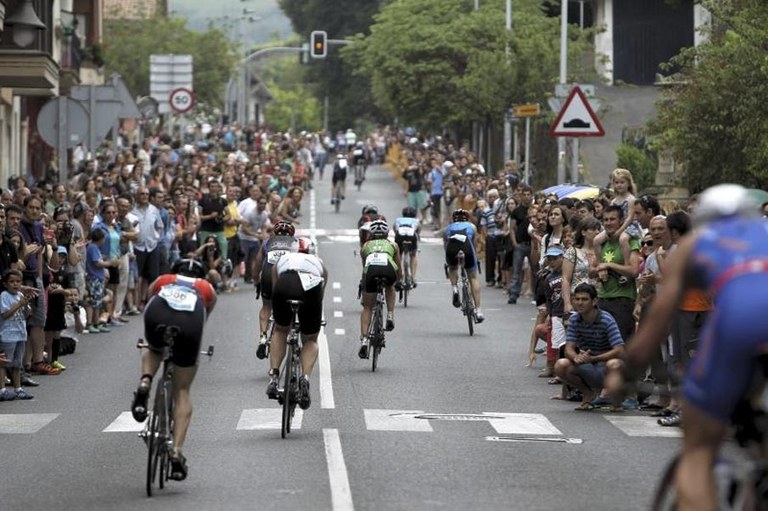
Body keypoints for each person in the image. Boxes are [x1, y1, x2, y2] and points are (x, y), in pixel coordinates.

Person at [606, 184, 766, 510]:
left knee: (698, 449)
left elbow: (659, 316)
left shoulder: (698, 243)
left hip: (740, 323)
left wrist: (626, 373)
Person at [130, 257, 217, 482]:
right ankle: (176, 450)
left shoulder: (164, 279)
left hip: (158, 312)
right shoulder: (206, 288)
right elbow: (203, 319)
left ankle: (146, 380)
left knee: (154, 347)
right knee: (182, 391)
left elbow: (148, 300)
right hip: (190, 322)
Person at [265, 237, 327, 410]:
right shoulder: (317, 261)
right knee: (310, 339)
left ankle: (274, 376)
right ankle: (305, 379)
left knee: (280, 330)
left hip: (285, 284)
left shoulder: (283, 259)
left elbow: (275, 287)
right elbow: (321, 290)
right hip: (311, 287)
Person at [555, 282, 625, 411]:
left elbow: (619, 350)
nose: (580, 303)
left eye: (585, 299)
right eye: (577, 299)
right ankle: (587, 393)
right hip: (587, 363)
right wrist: (576, 357)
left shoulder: (606, 319)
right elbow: (568, 348)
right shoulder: (574, 319)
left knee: (615, 364)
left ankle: (616, 400)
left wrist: (595, 358)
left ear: (594, 301)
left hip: (605, 364)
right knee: (561, 365)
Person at [358, 220, 402, 359]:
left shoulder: (365, 246)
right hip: (388, 270)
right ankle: (390, 315)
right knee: (390, 286)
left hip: (370, 272)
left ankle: (364, 340)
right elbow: (398, 267)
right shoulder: (392, 245)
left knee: (367, 308)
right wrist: (399, 280)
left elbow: (364, 267)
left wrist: (363, 286)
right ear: (387, 233)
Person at [254, 221, 297, 359]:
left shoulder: (267, 242)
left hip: (267, 275)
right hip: (286, 277)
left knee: (266, 306)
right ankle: (289, 334)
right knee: (289, 306)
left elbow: (258, 263)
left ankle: (262, 337)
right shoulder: (295, 243)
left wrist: (256, 280)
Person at [0, 269, 37, 401]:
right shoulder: (4, 296)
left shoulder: (20, 295)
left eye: (18, 281)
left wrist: (27, 308)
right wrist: (19, 305)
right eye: (11, 282)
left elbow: (25, 314)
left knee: (17, 363)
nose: (15, 284)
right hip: (8, 334)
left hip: (20, 333)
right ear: (5, 284)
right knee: (4, 362)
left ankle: (18, 388)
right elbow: (5, 314)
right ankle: (2, 389)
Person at [443, 209, 484, 323]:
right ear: (467, 218)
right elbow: (474, 244)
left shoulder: (448, 228)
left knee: (453, 267)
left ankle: (455, 288)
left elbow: (446, 246)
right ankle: (478, 311)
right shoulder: (472, 227)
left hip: (452, 249)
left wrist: (450, 262)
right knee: (473, 278)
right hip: (467, 249)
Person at [393, 207, 420, 287]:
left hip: (399, 236)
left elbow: (395, 230)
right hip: (411, 236)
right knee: (413, 255)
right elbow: (418, 231)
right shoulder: (416, 220)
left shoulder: (398, 219)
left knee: (398, 255)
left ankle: (398, 277)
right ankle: (413, 278)